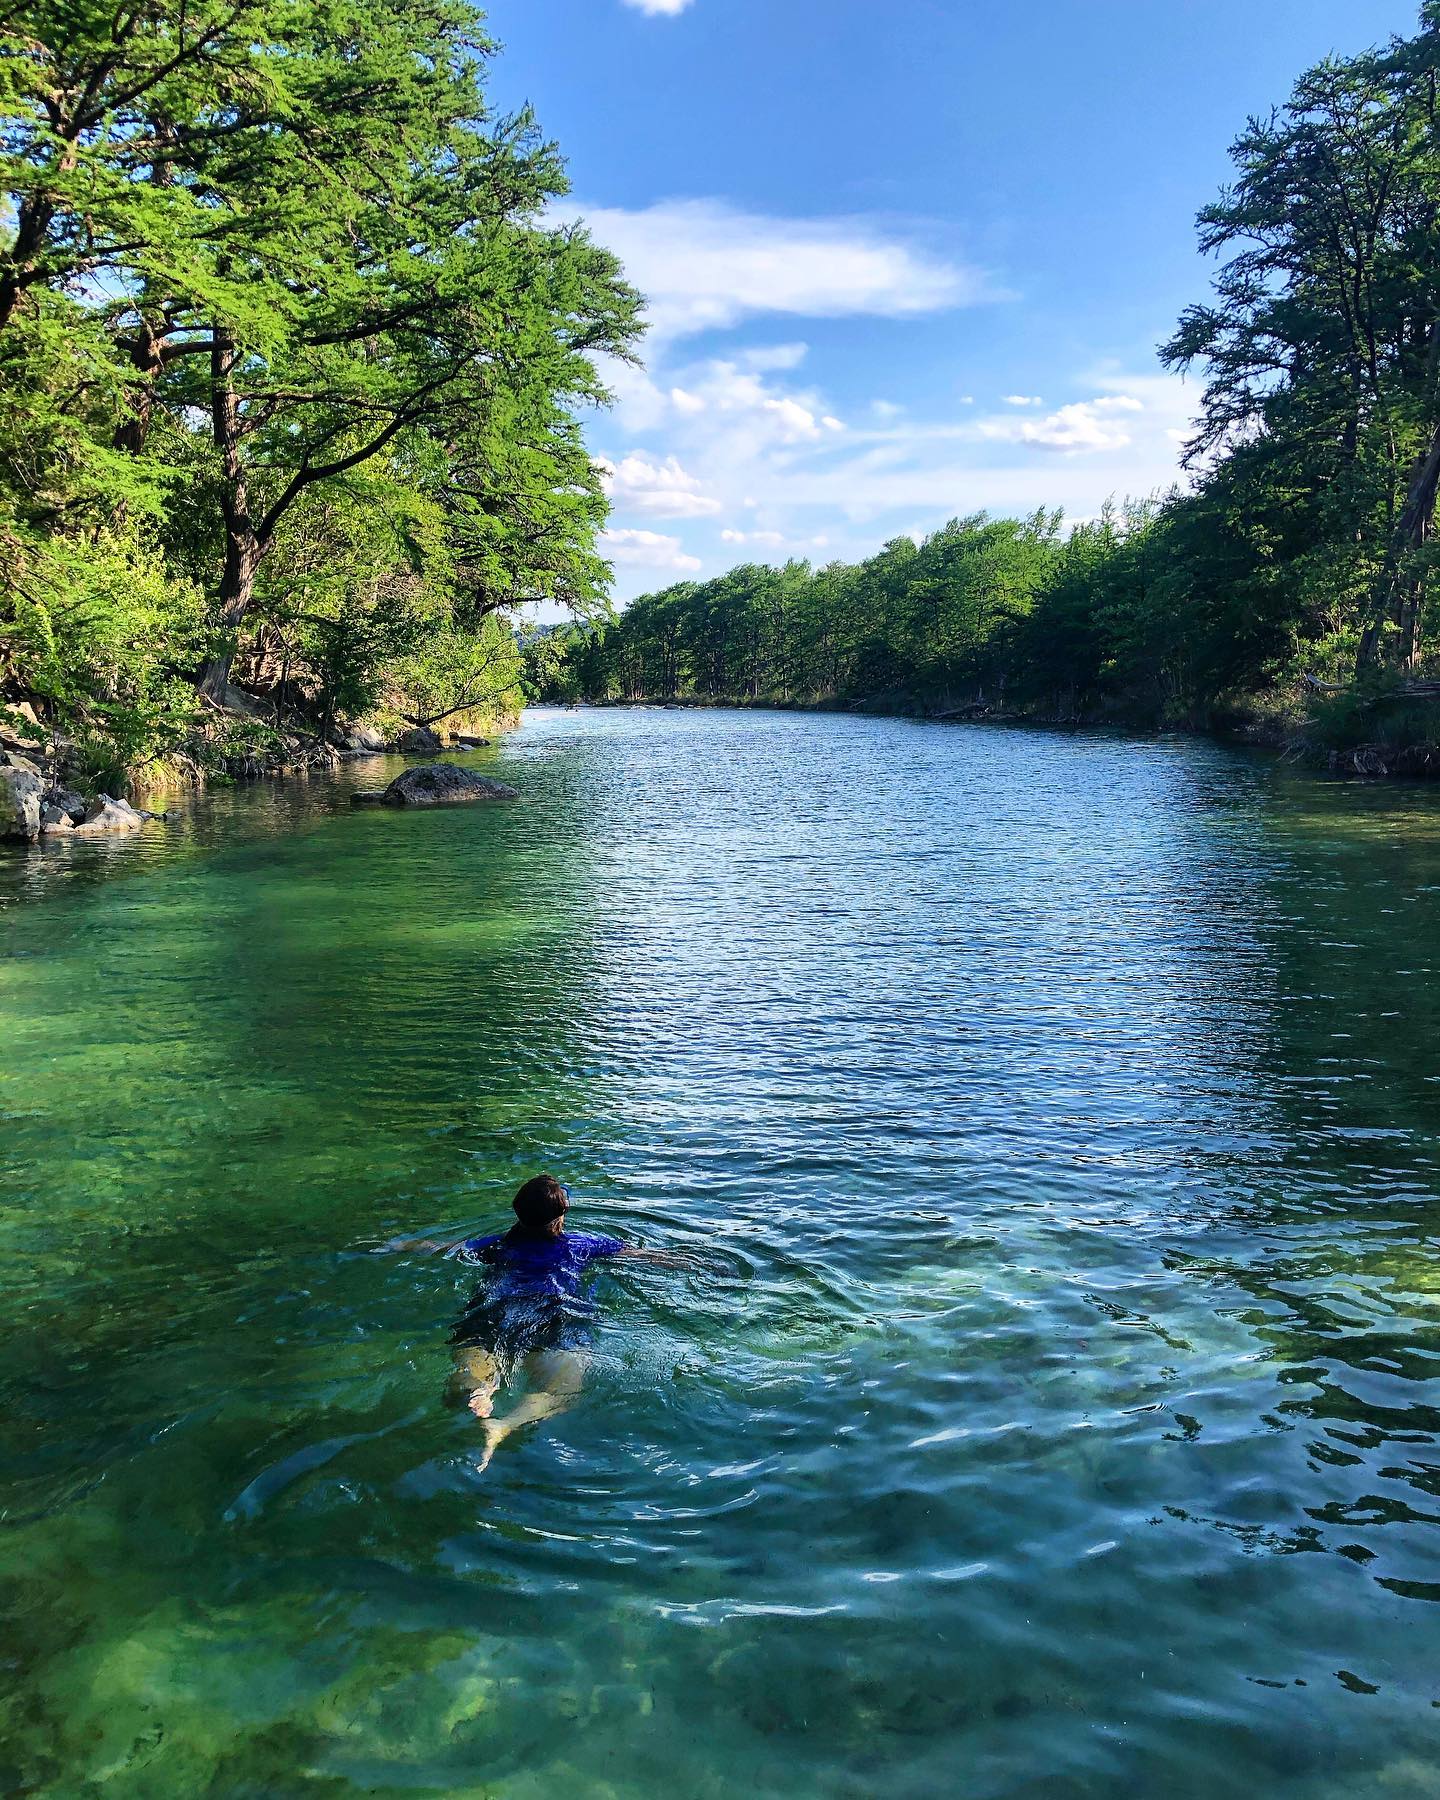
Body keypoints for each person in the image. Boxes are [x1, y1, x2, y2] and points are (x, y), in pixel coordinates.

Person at [382, 1173, 681, 1470]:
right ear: (560, 1216)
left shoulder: (494, 1246)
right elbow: (649, 1257)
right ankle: (503, 1425)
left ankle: (482, 1390)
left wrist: (391, 1245)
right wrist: (702, 1263)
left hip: (493, 1315)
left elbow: (436, 1248)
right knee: (562, 1392)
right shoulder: (583, 1245)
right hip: (552, 1317)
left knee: (470, 1372)